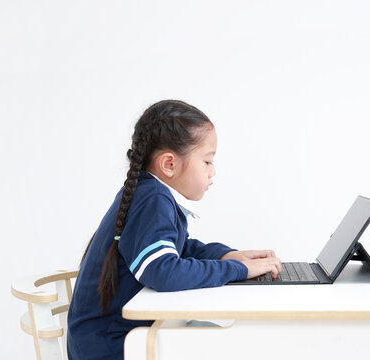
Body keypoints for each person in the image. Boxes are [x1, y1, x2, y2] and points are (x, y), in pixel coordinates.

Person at [67, 100, 282, 359]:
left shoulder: (149, 193)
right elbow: (162, 271)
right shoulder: (152, 199)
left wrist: (227, 256)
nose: (213, 171)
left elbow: (178, 248)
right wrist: (239, 270)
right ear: (169, 164)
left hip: (112, 339)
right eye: (207, 161)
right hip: (111, 347)